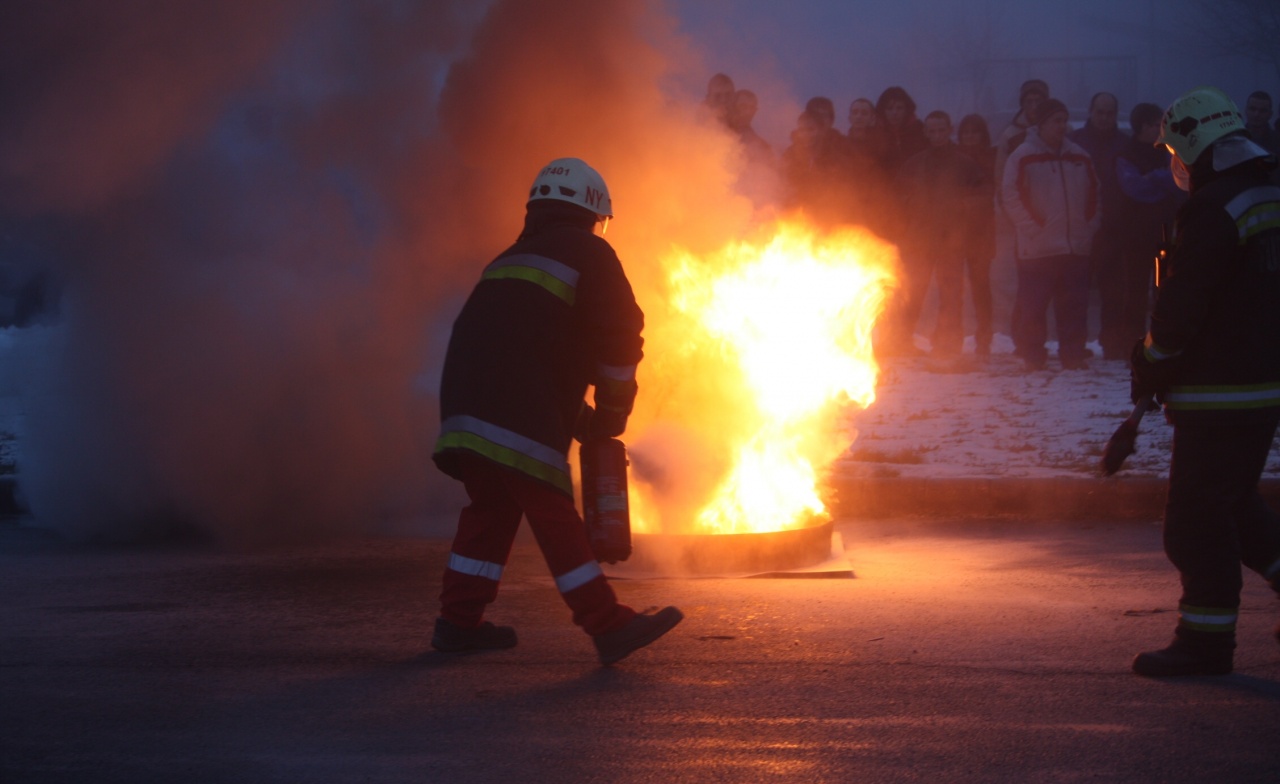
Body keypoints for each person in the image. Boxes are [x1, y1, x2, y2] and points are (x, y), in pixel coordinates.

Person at [431, 158, 683, 664]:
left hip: (464, 406)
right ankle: (607, 624)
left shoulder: (506, 258)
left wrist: (575, 418)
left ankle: (458, 622)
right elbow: (619, 338)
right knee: (552, 511)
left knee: (491, 510)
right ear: (592, 213)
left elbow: (525, 349)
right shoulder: (591, 253)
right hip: (515, 409)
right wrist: (612, 413)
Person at [1128, 87, 1280, 677]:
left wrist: (1151, 358)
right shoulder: (1266, 190)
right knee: (1233, 501)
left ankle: (1204, 643)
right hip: (1263, 384)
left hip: (1221, 390)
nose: (1176, 165)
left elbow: (1183, 305)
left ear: (1193, 147)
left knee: (1194, 518)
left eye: (1177, 153)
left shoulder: (1214, 207)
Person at [1001, 98, 1100, 371]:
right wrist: (1032, 228)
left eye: (1064, 120)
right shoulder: (1022, 155)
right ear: (1041, 124)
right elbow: (1010, 195)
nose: (1062, 126)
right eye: (1056, 120)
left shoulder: (1079, 155)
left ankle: (1073, 354)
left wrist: (1088, 226)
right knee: (1033, 307)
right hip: (1037, 249)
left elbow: (1095, 194)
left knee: (1073, 306)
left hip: (1074, 247)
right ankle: (1033, 355)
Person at [890, 110, 986, 359]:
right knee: (912, 292)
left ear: (950, 129)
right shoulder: (914, 164)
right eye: (931, 131)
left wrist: (962, 221)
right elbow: (899, 197)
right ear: (926, 132)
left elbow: (980, 198)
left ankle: (948, 343)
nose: (937, 135)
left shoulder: (964, 164)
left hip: (951, 239)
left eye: (941, 130)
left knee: (951, 294)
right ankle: (900, 340)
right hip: (920, 238)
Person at [1111, 102, 1184, 357]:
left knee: (1164, 291)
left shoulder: (1167, 152)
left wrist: (1156, 179)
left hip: (1164, 231)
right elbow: (1136, 189)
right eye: (1156, 124)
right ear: (1143, 126)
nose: (1160, 129)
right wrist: (1160, 178)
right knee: (1135, 292)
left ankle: (1161, 343)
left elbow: (1179, 184)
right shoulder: (1126, 154)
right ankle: (1132, 344)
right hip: (1135, 235)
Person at [1069, 92, 1131, 359]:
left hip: (1116, 227)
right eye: (1100, 112)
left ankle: (1112, 343)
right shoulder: (1075, 143)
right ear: (1091, 112)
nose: (1105, 118)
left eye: (1110, 113)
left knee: (1114, 291)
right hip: (1081, 226)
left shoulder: (1125, 144)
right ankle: (1075, 343)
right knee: (1077, 291)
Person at [956, 113, 998, 356]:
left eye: (975, 132)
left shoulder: (991, 158)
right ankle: (953, 337)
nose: (970, 137)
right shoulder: (954, 159)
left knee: (981, 289)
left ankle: (984, 338)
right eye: (966, 132)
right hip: (955, 232)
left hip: (981, 232)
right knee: (953, 289)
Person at [994, 79, 1049, 196]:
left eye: (1038, 101)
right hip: (1022, 199)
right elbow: (1001, 174)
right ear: (1022, 104)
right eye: (1029, 101)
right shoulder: (1010, 135)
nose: (1034, 106)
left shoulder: (1060, 130)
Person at [874, 86, 927, 175]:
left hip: (916, 185)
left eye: (899, 108)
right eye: (889, 108)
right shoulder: (875, 135)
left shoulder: (921, 131)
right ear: (883, 111)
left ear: (907, 110)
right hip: (884, 186)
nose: (894, 113)